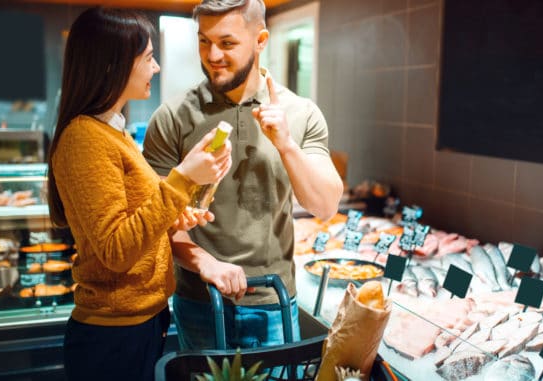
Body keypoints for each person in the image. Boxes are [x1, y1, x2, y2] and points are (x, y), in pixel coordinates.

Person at [143, 0, 343, 350]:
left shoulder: (300, 113)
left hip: (275, 303)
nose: (212, 54)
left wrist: (286, 145)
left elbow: (325, 206)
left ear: (261, 39)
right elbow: (154, 221)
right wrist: (203, 261)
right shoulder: (172, 117)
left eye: (227, 42)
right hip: (200, 303)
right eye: (203, 41)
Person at [46, 7, 232, 381]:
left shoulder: (113, 132)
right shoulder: (85, 139)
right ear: (113, 66)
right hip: (112, 336)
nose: (157, 68)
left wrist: (177, 214)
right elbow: (116, 249)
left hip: (138, 323)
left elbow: (132, 219)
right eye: (148, 58)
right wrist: (181, 179)